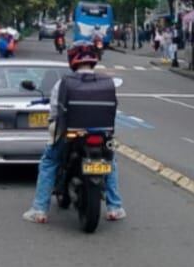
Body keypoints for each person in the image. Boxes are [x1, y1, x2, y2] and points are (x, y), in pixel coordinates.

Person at [23, 41, 126, 223]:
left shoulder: (63, 83)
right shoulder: (106, 82)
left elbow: (55, 111)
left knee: (49, 162)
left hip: (70, 134)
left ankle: (39, 210)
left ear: (72, 59)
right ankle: (115, 207)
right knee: (110, 163)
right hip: (101, 134)